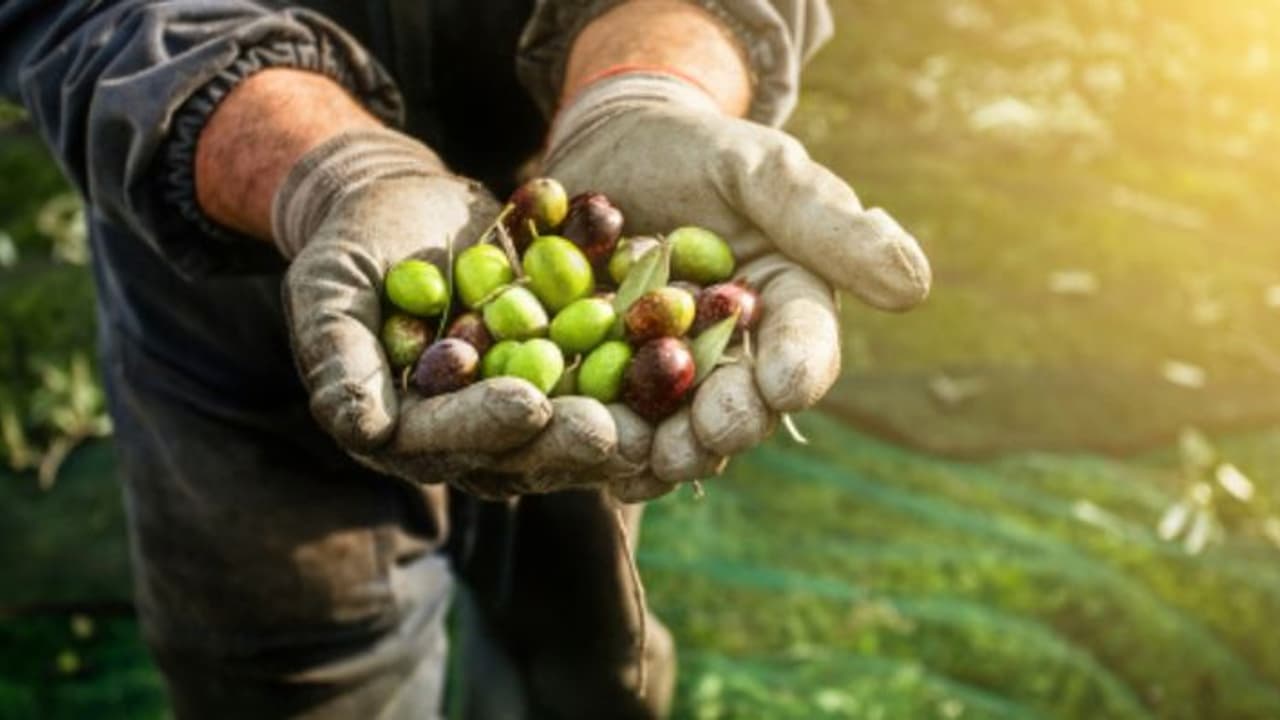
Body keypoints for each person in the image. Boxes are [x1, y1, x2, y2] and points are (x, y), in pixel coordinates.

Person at [1, 1, 931, 717]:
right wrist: (330, 173)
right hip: (229, 286)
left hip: (582, 189)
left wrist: (650, 83)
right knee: (296, 672)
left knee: (587, 646)